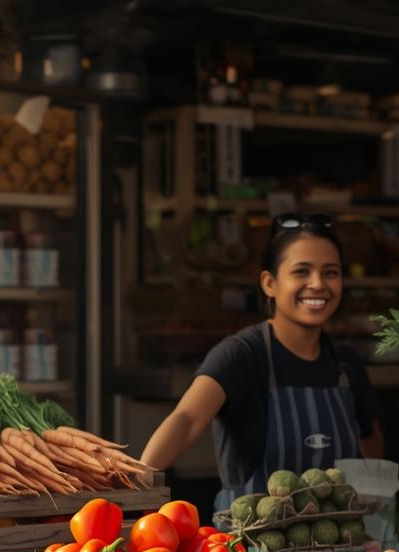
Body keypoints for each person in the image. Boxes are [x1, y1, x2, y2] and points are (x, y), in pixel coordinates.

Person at [141, 213, 384, 512]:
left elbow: (370, 442)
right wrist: (134, 489)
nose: (318, 284)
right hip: (248, 551)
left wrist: (376, 513)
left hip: (337, 549)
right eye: (301, 272)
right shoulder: (241, 355)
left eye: (331, 273)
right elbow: (187, 420)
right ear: (269, 282)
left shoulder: (346, 365)